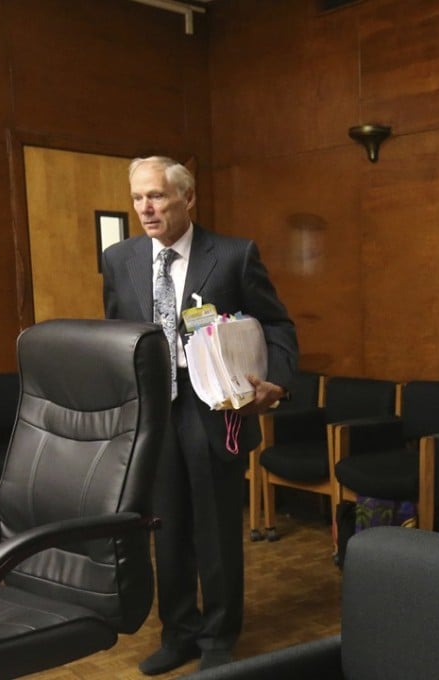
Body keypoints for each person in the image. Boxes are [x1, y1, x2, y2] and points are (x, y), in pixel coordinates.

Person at [102, 156, 298, 674]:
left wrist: (276, 382)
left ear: (187, 198)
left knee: (214, 529)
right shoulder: (119, 259)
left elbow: (277, 324)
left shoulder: (233, 255)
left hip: (213, 406)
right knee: (165, 527)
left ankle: (218, 638)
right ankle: (179, 632)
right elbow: (115, 332)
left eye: (157, 196)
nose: (146, 208)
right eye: (138, 197)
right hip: (153, 412)